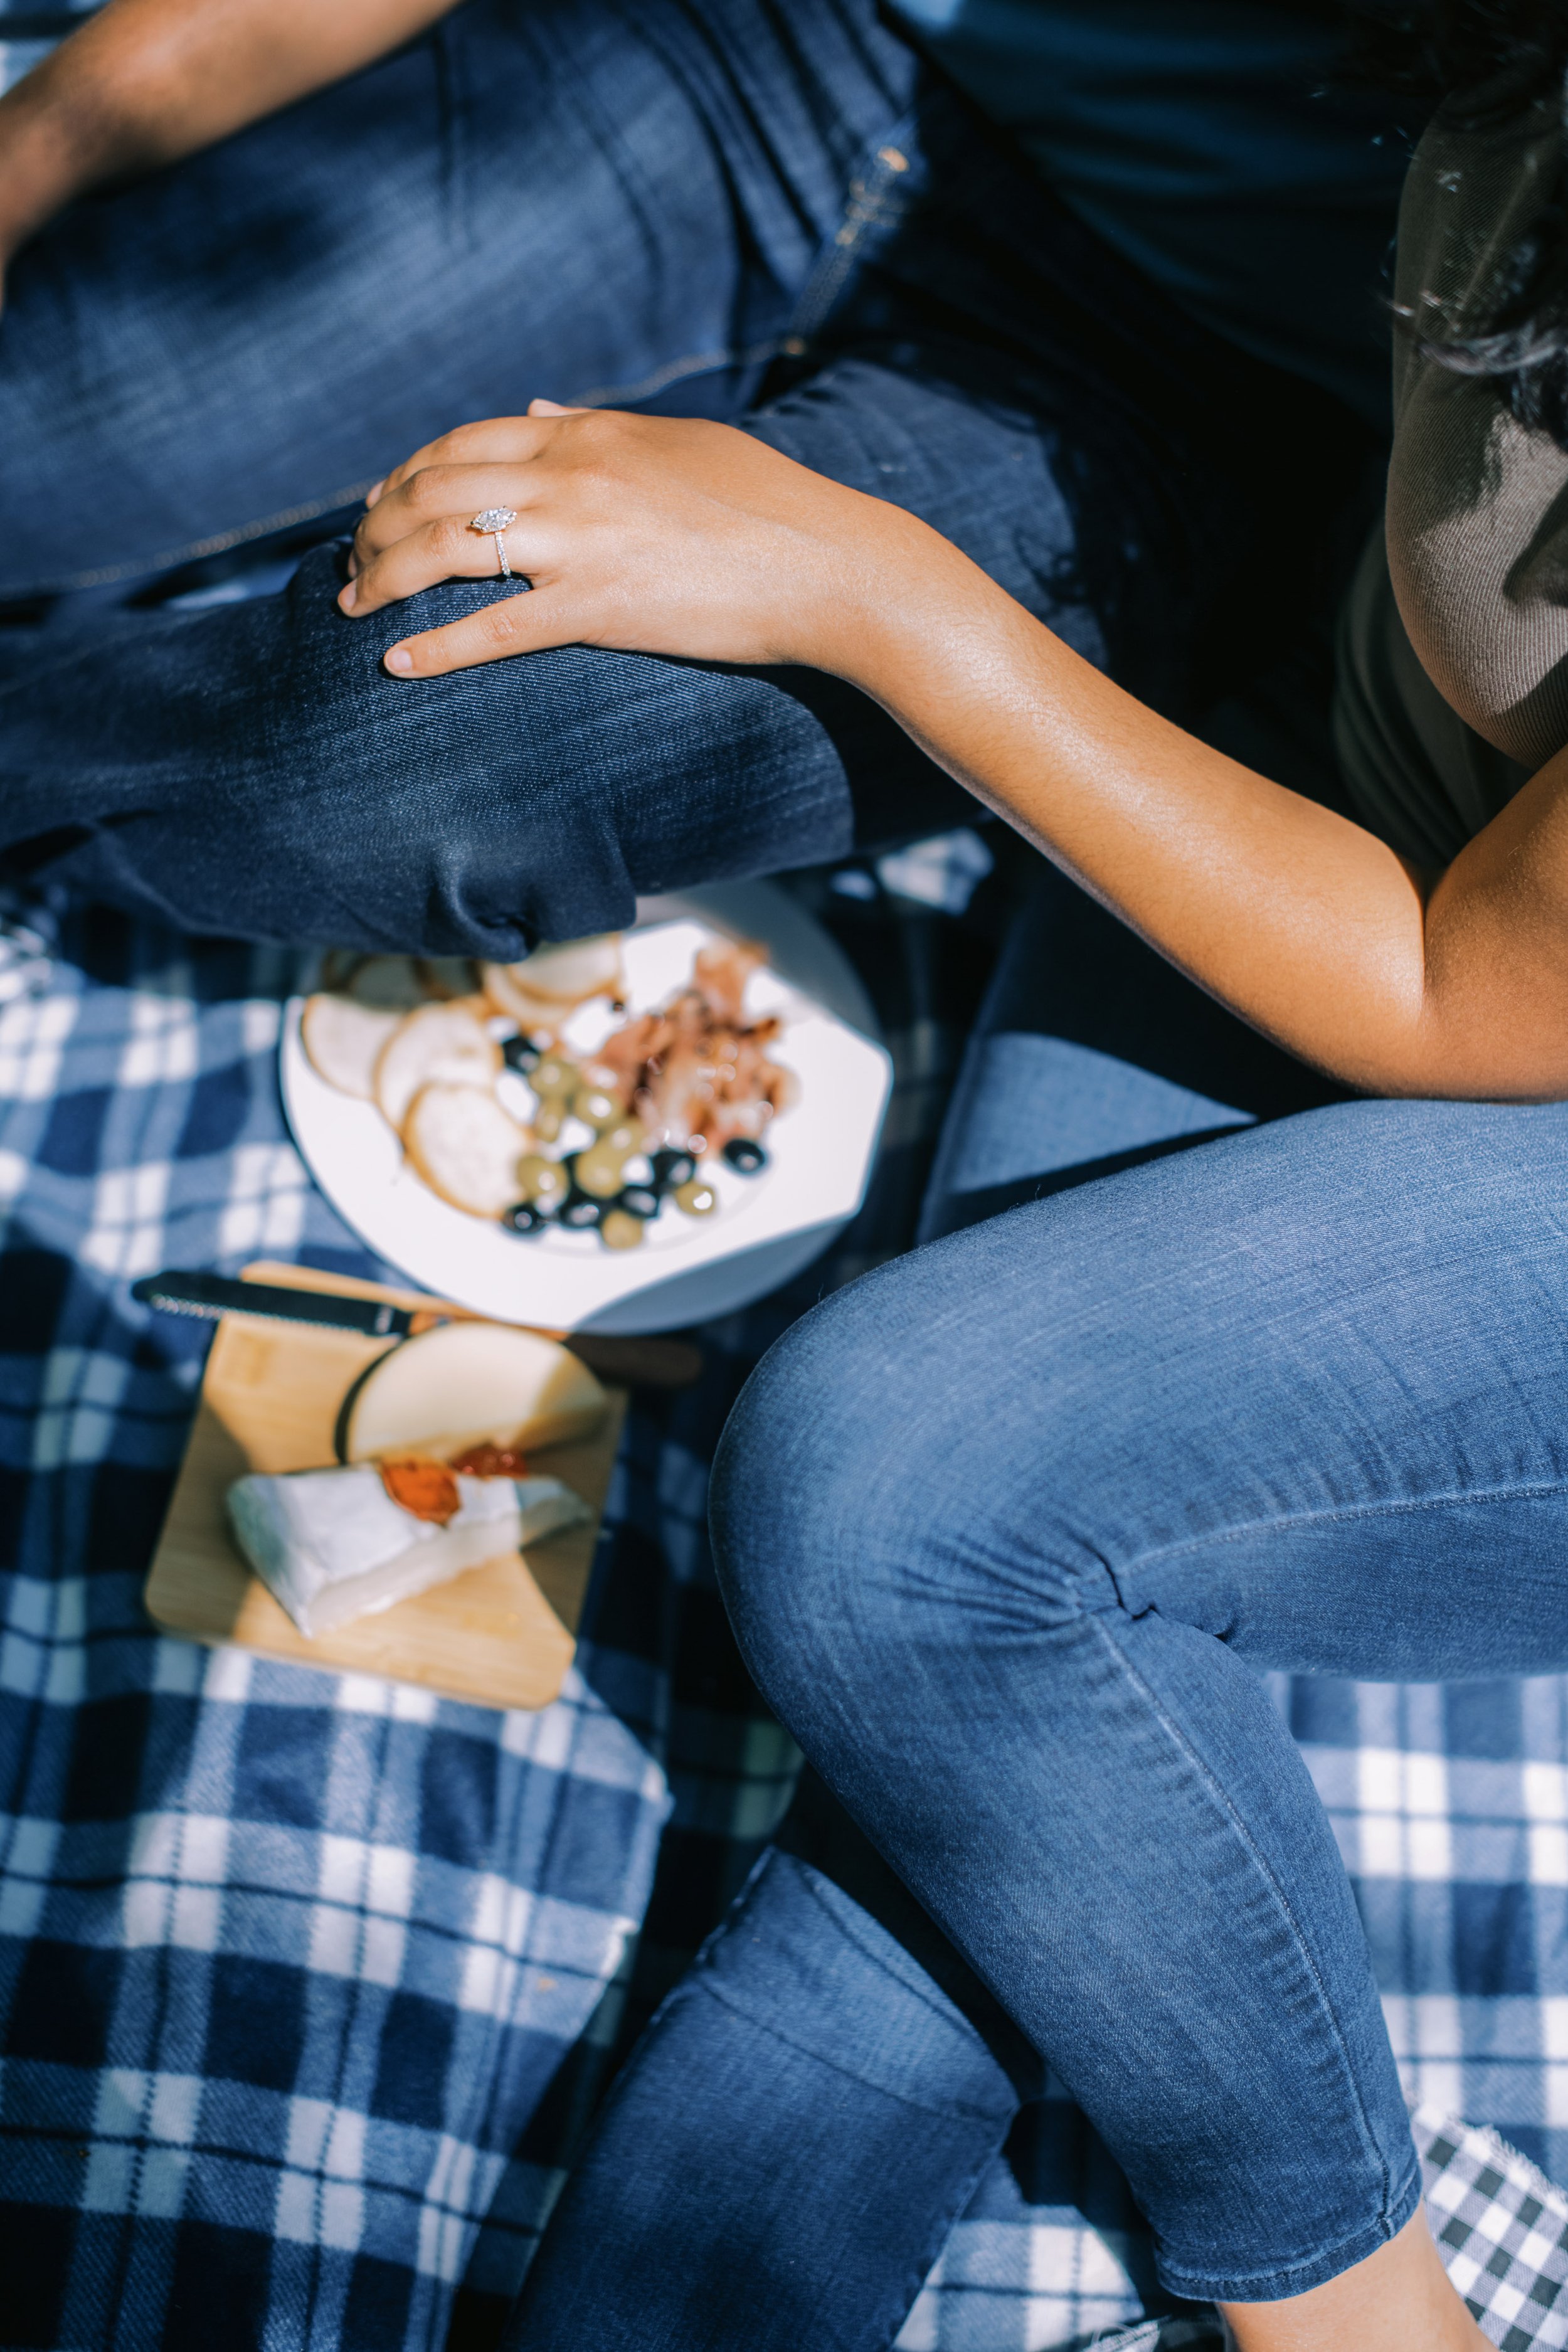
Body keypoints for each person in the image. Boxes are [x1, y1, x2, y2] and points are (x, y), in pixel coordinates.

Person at [452, 2, 1568, 2347]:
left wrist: (872, 588)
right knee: (973, 1722)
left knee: (909, 1494)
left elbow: (1470, 999)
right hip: (1364, 774)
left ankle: (1363, 2316)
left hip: (1473, 981)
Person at [0, 0, 1405, 945]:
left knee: (406, 752)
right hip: (795, 54)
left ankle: (54, 816)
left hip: (1199, 387)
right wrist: (49, 135)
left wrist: (857, 583)